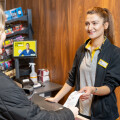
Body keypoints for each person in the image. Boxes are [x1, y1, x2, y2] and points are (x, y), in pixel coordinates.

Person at [0, 5, 79, 120]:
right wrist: (69, 114)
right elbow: (35, 117)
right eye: (2, 30)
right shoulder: (4, 86)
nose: (5, 35)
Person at [46, 7, 120, 120]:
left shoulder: (114, 53)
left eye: (94, 23)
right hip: (81, 110)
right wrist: (56, 98)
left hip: (103, 113)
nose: (90, 28)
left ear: (105, 25)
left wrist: (93, 90)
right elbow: (71, 79)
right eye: (87, 24)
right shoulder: (81, 49)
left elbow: (109, 87)